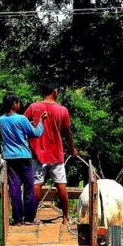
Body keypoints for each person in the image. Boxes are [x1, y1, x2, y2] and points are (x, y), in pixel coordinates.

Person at [24, 84, 78, 224]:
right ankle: (65, 218)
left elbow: (21, 124)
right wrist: (72, 149)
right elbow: (67, 133)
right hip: (56, 153)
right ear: (55, 91)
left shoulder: (33, 107)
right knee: (61, 184)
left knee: (37, 184)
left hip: (37, 154)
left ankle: (31, 217)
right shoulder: (62, 110)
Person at [0, 92, 45, 226]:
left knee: (15, 188)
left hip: (10, 158)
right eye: (18, 102)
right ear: (14, 104)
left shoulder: (1, 120)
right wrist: (41, 121)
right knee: (29, 187)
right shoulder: (21, 119)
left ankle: (17, 219)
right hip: (23, 157)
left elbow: (15, 130)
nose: (20, 105)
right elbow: (36, 133)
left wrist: (26, 125)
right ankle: (29, 218)